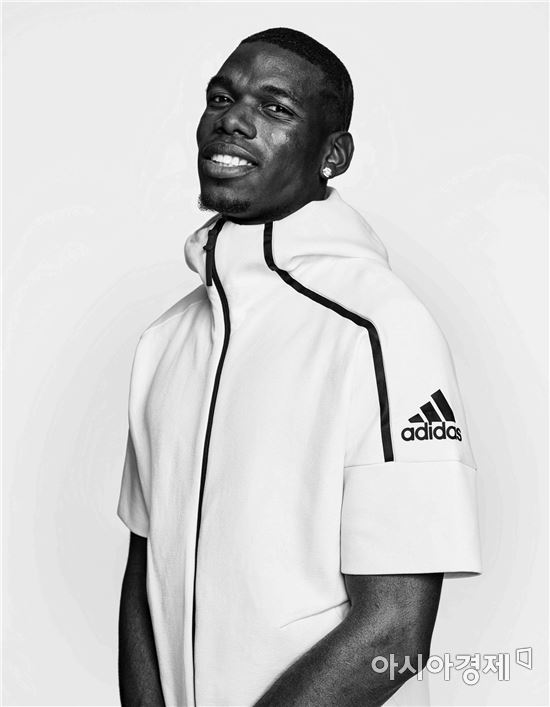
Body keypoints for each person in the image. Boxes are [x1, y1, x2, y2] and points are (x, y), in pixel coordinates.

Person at [117, 27, 482, 707]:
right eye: (221, 98)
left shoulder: (381, 328)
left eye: (275, 107)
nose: (233, 119)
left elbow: (396, 633)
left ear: (332, 155)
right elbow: (145, 577)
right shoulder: (164, 342)